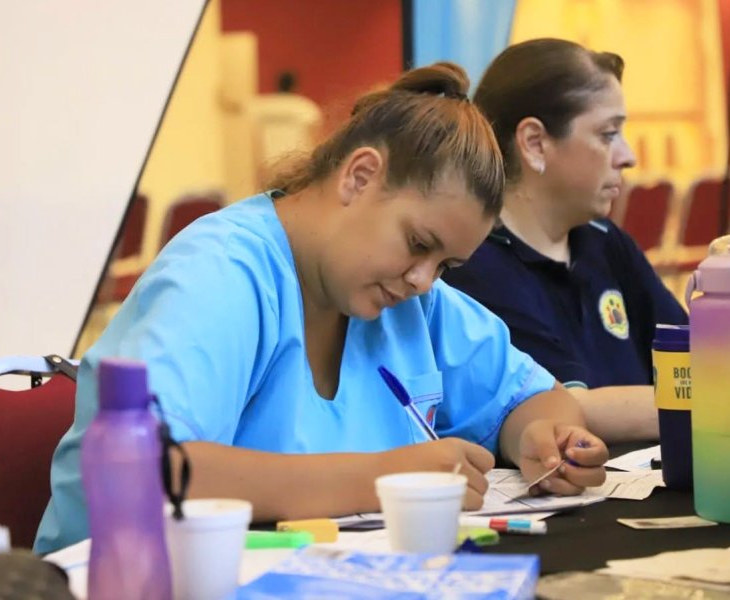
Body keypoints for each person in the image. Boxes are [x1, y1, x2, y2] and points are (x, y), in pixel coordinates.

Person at [34, 62, 609, 554]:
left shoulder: (413, 302)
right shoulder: (221, 275)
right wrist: (381, 478)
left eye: (446, 266)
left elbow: (534, 395)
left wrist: (542, 437)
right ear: (360, 176)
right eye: (418, 244)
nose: (423, 280)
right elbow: (147, 469)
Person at [443, 39, 687, 444]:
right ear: (535, 143)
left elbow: (692, 362)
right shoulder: (474, 264)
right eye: (608, 135)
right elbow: (568, 408)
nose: (627, 156)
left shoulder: (606, 243)